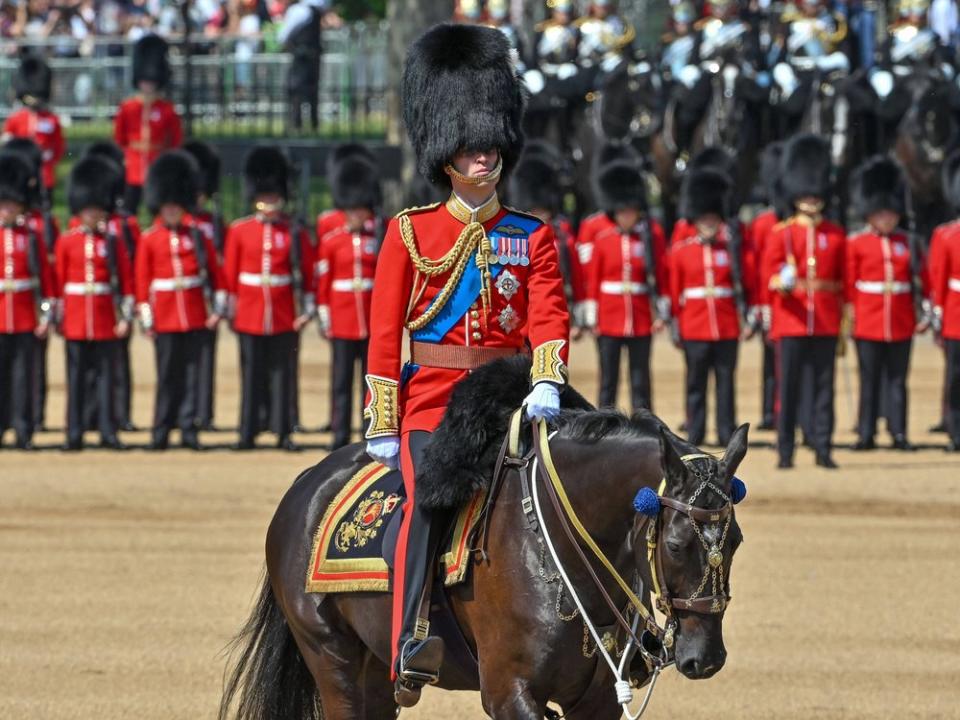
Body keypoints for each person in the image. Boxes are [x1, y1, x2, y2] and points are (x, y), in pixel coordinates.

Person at [363, 24, 569, 707]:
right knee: (426, 504)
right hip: (435, 401)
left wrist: (545, 379)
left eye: (492, 146)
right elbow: (383, 332)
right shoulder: (411, 233)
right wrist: (385, 418)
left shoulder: (529, 235)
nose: (486, 157)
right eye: (472, 147)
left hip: (514, 392)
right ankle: (409, 640)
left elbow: (547, 316)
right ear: (445, 153)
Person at [762, 133, 846, 469]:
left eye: (815, 195)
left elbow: (842, 282)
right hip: (792, 319)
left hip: (824, 318)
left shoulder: (835, 235)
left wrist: (844, 319)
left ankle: (823, 448)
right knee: (789, 388)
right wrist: (782, 283)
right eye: (805, 195)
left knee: (825, 389)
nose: (811, 200)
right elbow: (768, 277)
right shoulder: (782, 234)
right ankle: (786, 451)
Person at [224, 146, 315, 451]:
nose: (270, 201)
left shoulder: (294, 231)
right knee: (251, 374)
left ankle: (283, 431)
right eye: (265, 196)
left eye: (274, 196)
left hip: (283, 311)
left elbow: (307, 272)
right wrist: (230, 309)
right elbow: (230, 274)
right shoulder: (239, 231)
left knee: (284, 375)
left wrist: (307, 310)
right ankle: (247, 431)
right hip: (250, 312)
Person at [136, 150, 225, 451]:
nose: (172, 211)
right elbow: (142, 281)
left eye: (176, 206)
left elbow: (214, 274)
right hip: (165, 314)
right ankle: (161, 430)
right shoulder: (150, 238)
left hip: (195, 313)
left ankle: (188, 428)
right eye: (168, 206)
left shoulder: (197, 235)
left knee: (191, 376)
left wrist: (216, 310)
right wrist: (147, 318)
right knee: (166, 377)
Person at [669, 167, 754, 446]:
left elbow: (744, 284)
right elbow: (675, 291)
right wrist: (676, 324)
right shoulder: (682, 251)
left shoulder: (730, 250)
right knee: (695, 384)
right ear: (695, 221)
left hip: (726, 326)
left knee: (725, 383)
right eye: (704, 220)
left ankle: (725, 431)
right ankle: (696, 432)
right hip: (694, 325)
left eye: (713, 220)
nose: (708, 224)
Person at [56, 156, 135, 451]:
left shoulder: (113, 242)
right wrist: (57, 317)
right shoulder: (67, 242)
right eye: (89, 210)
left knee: (106, 380)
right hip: (76, 318)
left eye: (98, 210)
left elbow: (125, 282)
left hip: (104, 319)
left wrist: (125, 316)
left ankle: (107, 430)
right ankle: (74, 432)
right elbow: (58, 283)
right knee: (75, 380)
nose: (94, 215)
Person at [845, 156, 923, 451]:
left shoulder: (908, 242)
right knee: (870, 380)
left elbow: (919, 279)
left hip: (901, 320)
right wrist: (851, 316)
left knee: (898, 381)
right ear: (869, 215)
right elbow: (852, 284)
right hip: (869, 320)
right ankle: (866, 433)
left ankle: (898, 432)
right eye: (881, 214)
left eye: (891, 214)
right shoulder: (858, 243)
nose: (887, 219)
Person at [582, 159, 668, 412]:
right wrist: (592, 317)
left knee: (640, 378)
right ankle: (605, 422)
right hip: (609, 317)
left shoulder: (648, 239)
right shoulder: (603, 240)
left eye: (631, 211)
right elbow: (593, 281)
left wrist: (660, 313)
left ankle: (643, 421)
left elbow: (659, 276)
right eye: (623, 212)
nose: (627, 216)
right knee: (609, 378)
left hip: (640, 317)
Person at [316, 151, 381, 450]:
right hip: (342, 320)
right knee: (340, 381)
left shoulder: (377, 239)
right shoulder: (332, 242)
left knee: (369, 383)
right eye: (351, 209)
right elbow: (324, 283)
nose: (356, 214)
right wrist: (325, 317)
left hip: (370, 319)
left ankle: (367, 431)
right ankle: (339, 432)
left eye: (361, 209)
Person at [1, 137, 59, 433]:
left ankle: (28, 422)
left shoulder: (36, 230)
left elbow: (47, 275)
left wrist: (46, 312)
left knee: (28, 372)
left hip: (26, 310)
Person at [507, 149, 583, 329]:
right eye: (535, 212)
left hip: (555, 308)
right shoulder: (512, 237)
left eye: (543, 212)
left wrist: (579, 307)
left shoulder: (562, 235)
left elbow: (575, 273)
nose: (539, 216)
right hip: (522, 312)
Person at [113, 34, 183, 213]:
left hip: (156, 162)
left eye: (151, 82)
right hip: (133, 164)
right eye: (145, 81)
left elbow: (175, 139)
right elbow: (119, 138)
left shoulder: (166, 108)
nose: (148, 85)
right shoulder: (128, 107)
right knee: (129, 210)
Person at [182, 139, 224, 431]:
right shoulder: (185, 224)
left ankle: (204, 411)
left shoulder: (214, 222)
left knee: (206, 360)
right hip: (189, 296)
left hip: (207, 295)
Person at [928, 150, 960, 451]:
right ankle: (955, 430)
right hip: (956, 316)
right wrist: (937, 311)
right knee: (956, 379)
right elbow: (938, 277)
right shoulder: (947, 235)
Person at [1, 52, 64, 203]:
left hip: (44, 172)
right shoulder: (16, 118)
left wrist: (48, 160)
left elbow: (58, 146)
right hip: (19, 170)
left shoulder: (51, 119)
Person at [277, 0, 341, 132]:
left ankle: (297, 123)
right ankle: (311, 123)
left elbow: (283, 35)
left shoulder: (300, 11)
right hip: (309, 55)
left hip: (303, 56)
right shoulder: (307, 12)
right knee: (309, 90)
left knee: (298, 89)